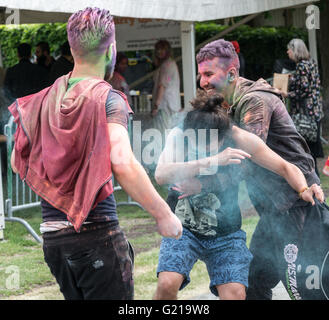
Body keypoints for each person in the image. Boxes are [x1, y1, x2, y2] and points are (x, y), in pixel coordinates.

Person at [9, 7, 182, 300]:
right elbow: (122, 162)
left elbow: (16, 162)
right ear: (111, 49)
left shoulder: (42, 99)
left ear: (72, 47)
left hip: (52, 239)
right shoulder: (108, 99)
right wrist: (164, 214)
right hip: (96, 236)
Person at [153, 92, 323, 300]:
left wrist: (305, 189)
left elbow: (286, 167)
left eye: (207, 144)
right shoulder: (180, 135)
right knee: (167, 283)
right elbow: (161, 174)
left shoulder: (238, 137)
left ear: (224, 137)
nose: (200, 148)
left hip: (225, 232)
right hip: (183, 227)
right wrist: (213, 160)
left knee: (235, 294)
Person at [196, 39, 323, 300]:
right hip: (276, 211)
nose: (202, 82)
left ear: (232, 73)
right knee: (253, 282)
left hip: (296, 206)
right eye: (200, 75)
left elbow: (242, 160)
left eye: (208, 74)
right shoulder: (230, 103)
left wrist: (200, 185)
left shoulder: (254, 102)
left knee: (303, 289)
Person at [284, 38, 324, 176]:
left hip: (304, 116)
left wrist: (287, 93)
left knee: (305, 151)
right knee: (312, 151)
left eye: (289, 48)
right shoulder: (311, 64)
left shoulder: (301, 66)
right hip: (315, 113)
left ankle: (313, 182)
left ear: (295, 50)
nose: (287, 51)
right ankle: (315, 181)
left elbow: (304, 91)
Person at [151, 40, 181, 136]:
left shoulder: (166, 65)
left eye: (162, 49)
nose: (159, 51)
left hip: (164, 106)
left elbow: (162, 85)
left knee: (163, 133)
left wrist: (156, 105)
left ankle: (165, 151)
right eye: (158, 49)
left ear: (167, 50)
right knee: (169, 133)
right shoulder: (170, 64)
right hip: (171, 105)